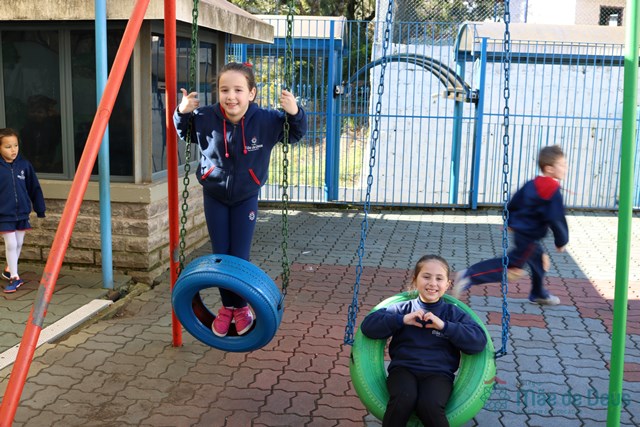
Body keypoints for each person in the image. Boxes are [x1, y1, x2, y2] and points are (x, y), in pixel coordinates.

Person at [174, 62, 307, 337]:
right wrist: (182, 112)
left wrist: (295, 112)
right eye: (225, 90)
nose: (231, 96)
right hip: (214, 194)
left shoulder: (267, 120)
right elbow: (185, 132)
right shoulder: (206, 117)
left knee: (239, 255)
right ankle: (229, 308)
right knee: (221, 255)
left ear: (251, 93)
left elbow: (295, 133)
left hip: (246, 196)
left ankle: (240, 307)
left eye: (238, 90)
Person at [359, 254, 487, 427]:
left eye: (439, 278)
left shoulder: (452, 313)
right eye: (426, 277)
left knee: (429, 405)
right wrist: (402, 319)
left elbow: (478, 341)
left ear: (447, 284)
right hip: (403, 370)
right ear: (415, 280)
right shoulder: (403, 308)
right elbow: (368, 326)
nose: (432, 283)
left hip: (439, 375)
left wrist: (444, 326)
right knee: (404, 398)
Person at [452, 144, 568, 305]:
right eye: (562, 165)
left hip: (522, 233)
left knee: (539, 261)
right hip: (529, 236)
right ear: (549, 168)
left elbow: (514, 202)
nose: (565, 168)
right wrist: (561, 241)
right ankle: (470, 275)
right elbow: (556, 218)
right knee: (511, 265)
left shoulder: (532, 184)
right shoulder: (552, 191)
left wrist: (510, 220)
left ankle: (538, 293)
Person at [0, 128, 46, 293]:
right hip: (4, 214)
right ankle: (15, 277)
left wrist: (40, 209)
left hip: (22, 213)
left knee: (18, 243)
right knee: (11, 243)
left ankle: (9, 270)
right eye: (8, 147)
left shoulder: (25, 166)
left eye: (15, 145)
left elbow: (34, 188)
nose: (13, 150)